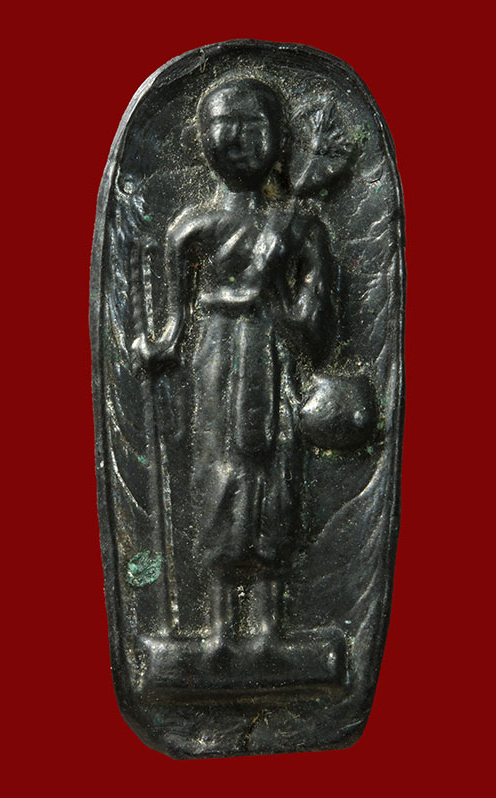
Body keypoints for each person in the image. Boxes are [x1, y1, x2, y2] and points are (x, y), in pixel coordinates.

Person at [133, 77, 334, 650]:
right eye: (225, 125)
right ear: (203, 138)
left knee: (275, 484)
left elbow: (315, 329)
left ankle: (269, 628)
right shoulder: (191, 230)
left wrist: (277, 299)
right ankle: (219, 630)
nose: (238, 139)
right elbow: (173, 330)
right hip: (216, 363)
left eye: (253, 125)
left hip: (274, 366)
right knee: (217, 479)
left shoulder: (302, 229)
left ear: (279, 139)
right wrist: (155, 348)